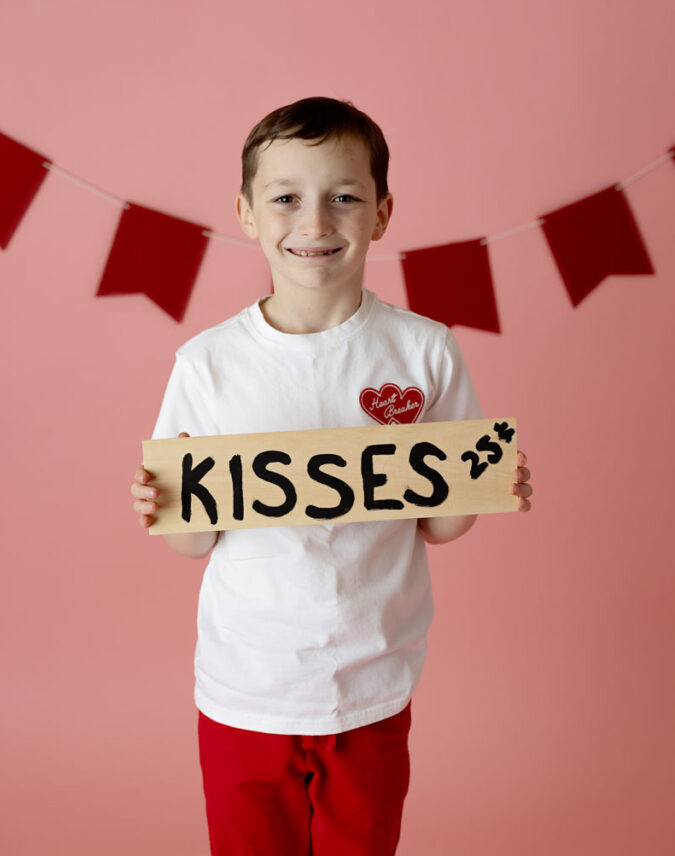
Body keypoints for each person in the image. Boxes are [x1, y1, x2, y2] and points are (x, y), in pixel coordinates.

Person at [130, 96, 533, 855]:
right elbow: (193, 541)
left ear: (380, 214)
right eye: (285, 199)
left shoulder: (424, 351)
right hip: (245, 685)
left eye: (343, 198)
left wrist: (486, 486)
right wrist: (167, 506)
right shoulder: (208, 364)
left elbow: (440, 525)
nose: (313, 223)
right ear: (247, 214)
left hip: (372, 681)